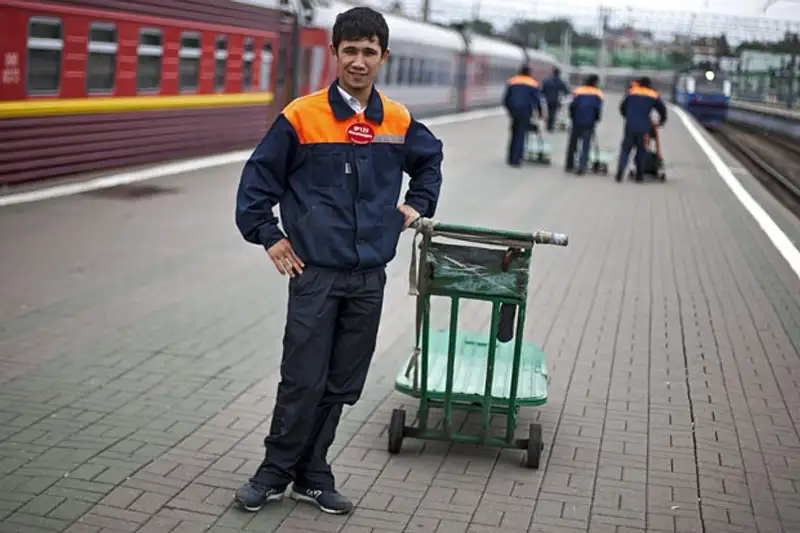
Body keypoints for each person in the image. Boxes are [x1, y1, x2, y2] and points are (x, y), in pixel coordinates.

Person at [233, 6, 443, 516]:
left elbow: (429, 163)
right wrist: (270, 237)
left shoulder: (396, 120)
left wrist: (416, 207)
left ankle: (313, 472)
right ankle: (274, 471)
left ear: (383, 58)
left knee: (343, 382)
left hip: (369, 276)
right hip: (315, 275)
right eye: (349, 50)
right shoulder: (301, 116)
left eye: (369, 52)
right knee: (303, 377)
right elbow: (256, 183)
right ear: (334, 54)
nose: (358, 61)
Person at [615, 76, 666, 182]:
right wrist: (661, 121)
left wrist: (628, 116)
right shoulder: (653, 94)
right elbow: (662, 110)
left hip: (630, 126)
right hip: (644, 128)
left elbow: (622, 107)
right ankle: (639, 175)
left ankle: (620, 172)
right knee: (641, 150)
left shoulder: (631, 92)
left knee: (625, 149)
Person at [503, 65, 543, 167]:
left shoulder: (512, 81)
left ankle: (510, 157)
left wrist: (510, 111)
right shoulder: (533, 84)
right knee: (521, 135)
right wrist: (540, 113)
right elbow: (537, 100)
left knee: (513, 134)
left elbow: (505, 99)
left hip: (514, 112)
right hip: (525, 112)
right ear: (529, 73)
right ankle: (516, 159)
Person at [565, 74, 603, 175]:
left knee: (573, 144)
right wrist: (596, 119)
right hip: (589, 122)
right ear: (595, 83)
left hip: (577, 121)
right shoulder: (598, 93)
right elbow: (597, 109)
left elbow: (572, 106)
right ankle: (582, 167)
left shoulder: (577, 91)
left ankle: (569, 165)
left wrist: (572, 117)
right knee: (585, 145)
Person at [541, 67, 570, 132]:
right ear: (558, 73)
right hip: (556, 100)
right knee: (553, 113)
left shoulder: (547, 80)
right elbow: (566, 91)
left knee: (549, 113)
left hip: (547, 100)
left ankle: (548, 126)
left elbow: (542, 90)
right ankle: (550, 127)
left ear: (553, 73)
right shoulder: (560, 81)